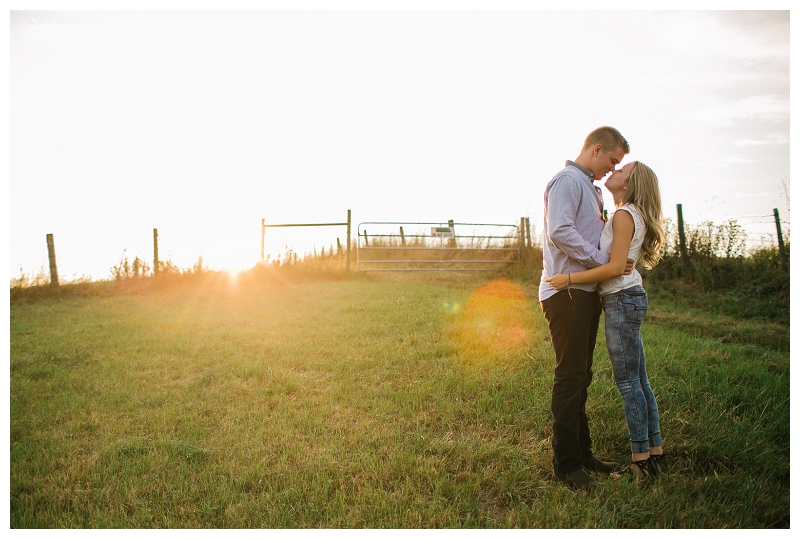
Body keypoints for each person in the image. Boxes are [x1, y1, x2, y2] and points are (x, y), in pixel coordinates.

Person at [546, 160, 667, 480]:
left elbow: (615, 268)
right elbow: (617, 263)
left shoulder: (625, 214)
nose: (614, 172)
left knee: (630, 383)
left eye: (621, 171)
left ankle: (640, 463)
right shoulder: (629, 214)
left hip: (620, 298)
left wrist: (569, 279)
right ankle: (654, 455)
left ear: (629, 185)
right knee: (640, 381)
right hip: (627, 297)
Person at [539, 126, 632, 490]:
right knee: (570, 375)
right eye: (612, 160)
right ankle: (566, 465)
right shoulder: (567, 181)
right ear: (596, 149)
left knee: (582, 375)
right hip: (567, 295)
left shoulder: (590, 189)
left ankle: (583, 451)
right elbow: (559, 231)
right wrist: (599, 262)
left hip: (583, 291)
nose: (612, 169)